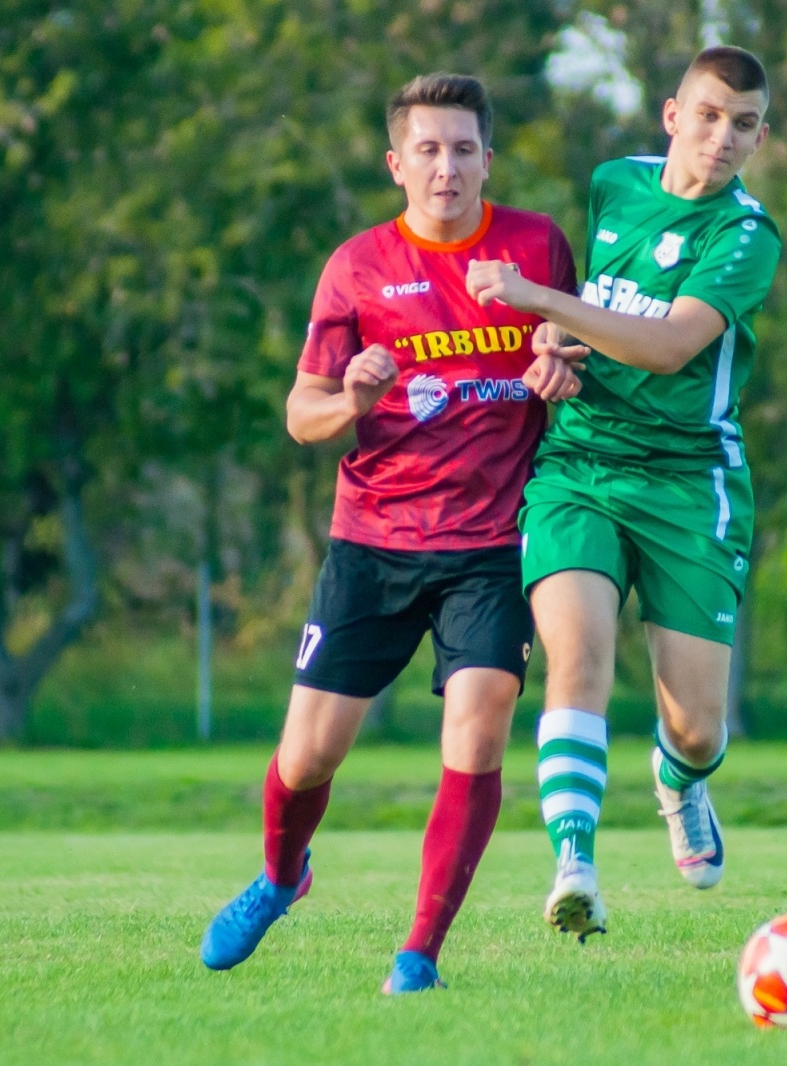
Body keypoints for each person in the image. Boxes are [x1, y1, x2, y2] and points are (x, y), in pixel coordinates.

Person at [199, 72, 582, 993]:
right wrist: (354, 399)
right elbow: (302, 413)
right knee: (308, 757)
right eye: (427, 149)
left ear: (488, 158)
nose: (445, 167)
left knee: (480, 727)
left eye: (462, 149)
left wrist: (563, 369)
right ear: (396, 164)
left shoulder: (536, 248)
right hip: (371, 543)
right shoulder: (357, 267)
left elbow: (579, 354)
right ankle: (283, 875)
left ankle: (419, 953)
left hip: (490, 546)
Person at [465, 46, 780, 941]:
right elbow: (599, 318)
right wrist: (551, 354)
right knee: (579, 655)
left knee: (694, 729)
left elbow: (670, 345)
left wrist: (537, 303)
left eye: (745, 124)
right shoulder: (614, 184)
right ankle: (575, 863)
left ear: (761, 137)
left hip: (690, 481)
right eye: (711, 115)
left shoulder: (746, 235)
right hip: (581, 467)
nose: (724, 139)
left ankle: (679, 786)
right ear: (673, 113)